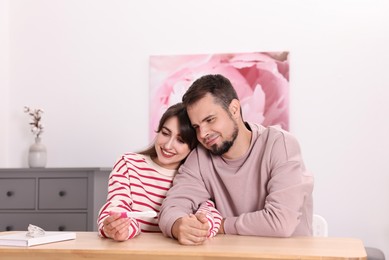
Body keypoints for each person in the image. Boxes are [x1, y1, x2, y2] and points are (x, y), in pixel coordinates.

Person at [159, 74, 314, 245]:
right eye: (197, 127)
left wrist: (222, 225)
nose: (203, 134)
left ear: (234, 109)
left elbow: (280, 222)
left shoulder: (280, 145)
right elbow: (172, 207)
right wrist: (178, 225)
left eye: (210, 120)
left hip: (288, 255)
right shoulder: (200, 157)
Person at [97, 102, 221, 241]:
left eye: (180, 140)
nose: (168, 145)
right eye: (165, 133)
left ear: (193, 146)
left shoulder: (196, 175)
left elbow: (210, 211)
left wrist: (201, 226)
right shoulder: (128, 163)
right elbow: (117, 205)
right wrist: (118, 227)